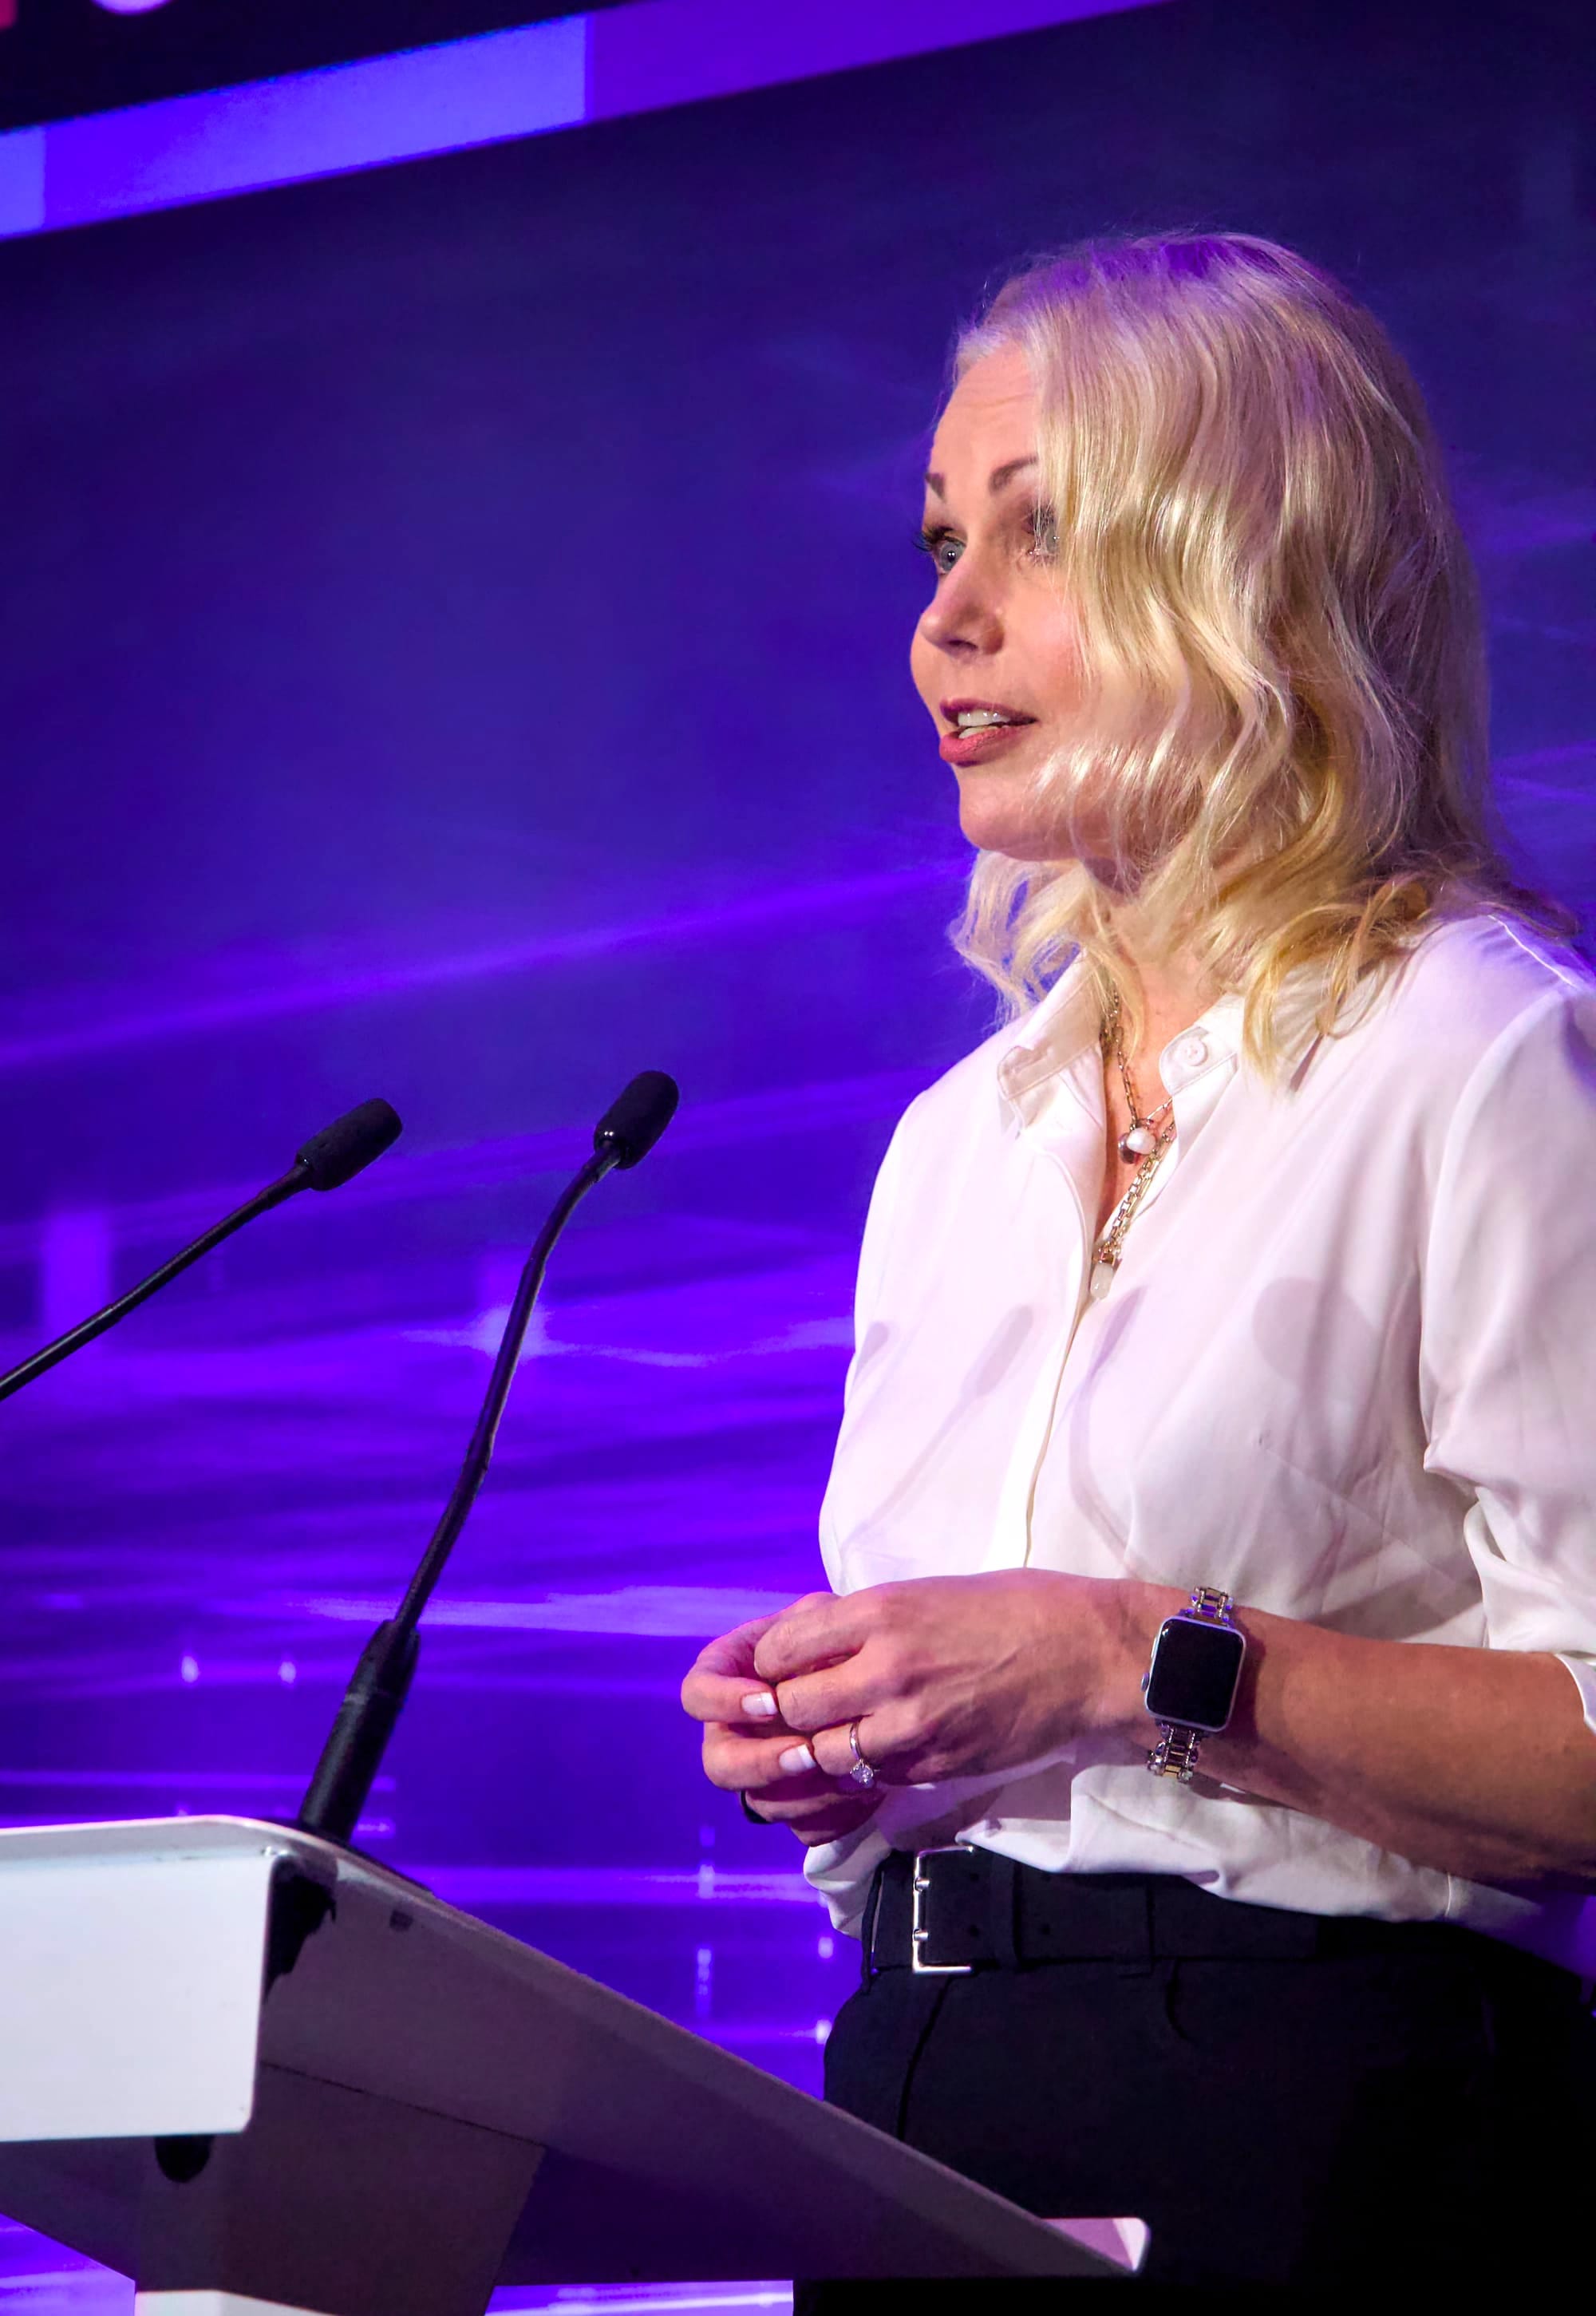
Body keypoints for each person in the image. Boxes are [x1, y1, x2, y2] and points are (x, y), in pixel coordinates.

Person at [681, 233, 1596, 2292]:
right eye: (934, 547)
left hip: (1336, 2117)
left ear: (1247, 577)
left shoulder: (1481, 1053)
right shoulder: (956, 1144)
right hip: (924, 2088)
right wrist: (843, 1734)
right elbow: (973, 1718)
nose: (944, 626)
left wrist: (1131, 1660)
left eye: (1042, 535)